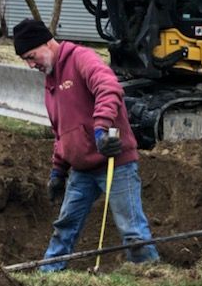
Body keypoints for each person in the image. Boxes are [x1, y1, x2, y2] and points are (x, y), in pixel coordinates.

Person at [12, 18, 160, 272]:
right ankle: (48, 274)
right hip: (82, 170)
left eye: (31, 56)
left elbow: (109, 88)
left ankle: (151, 273)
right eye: (26, 59)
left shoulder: (81, 58)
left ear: (47, 43)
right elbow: (62, 132)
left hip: (115, 162)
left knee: (132, 232)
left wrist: (101, 129)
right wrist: (58, 172)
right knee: (65, 226)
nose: (30, 64)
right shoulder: (50, 81)